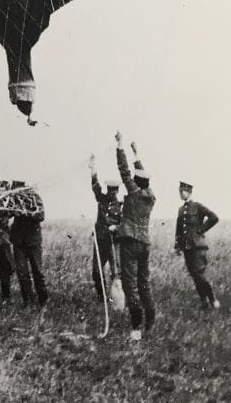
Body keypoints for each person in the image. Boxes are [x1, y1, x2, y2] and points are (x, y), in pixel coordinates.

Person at [116, 131, 156, 341]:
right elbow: (140, 174)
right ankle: (149, 322)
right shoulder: (150, 196)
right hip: (144, 242)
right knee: (144, 283)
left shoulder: (132, 192)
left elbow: (124, 171)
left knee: (129, 284)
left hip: (130, 242)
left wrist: (120, 146)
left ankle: (136, 326)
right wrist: (136, 153)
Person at [175, 181, 220, 310]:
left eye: (182, 191)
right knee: (194, 275)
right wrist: (177, 245)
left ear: (189, 192)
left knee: (199, 274)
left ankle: (212, 299)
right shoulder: (181, 209)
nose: (180, 193)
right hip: (187, 247)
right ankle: (204, 302)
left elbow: (214, 217)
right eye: (179, 191)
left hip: (198, 246)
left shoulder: (197, 206)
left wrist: (201, 230)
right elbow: (178, 229)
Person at [88, 155, 123, 302]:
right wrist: (93, 167)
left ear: (117, 191)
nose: (111, 193)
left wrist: (116, 227)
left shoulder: (121, 206)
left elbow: (126, 224)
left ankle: (118, 299)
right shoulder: (102, 199)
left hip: (113, 243)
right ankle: (102, 298)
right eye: (110, 191)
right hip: (100, 241)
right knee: (96, 272)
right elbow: (95, 185)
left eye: (114, 191)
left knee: (116, 273)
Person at [9, 181, 48, 308]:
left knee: (38, 273)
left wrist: (26, 213)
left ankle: (43, 302)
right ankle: (28, 303)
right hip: (19, 242)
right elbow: (7, 212)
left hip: (33, 242)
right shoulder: (13, 199)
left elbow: (41, 216)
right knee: (22, 274)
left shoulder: (35, 198)